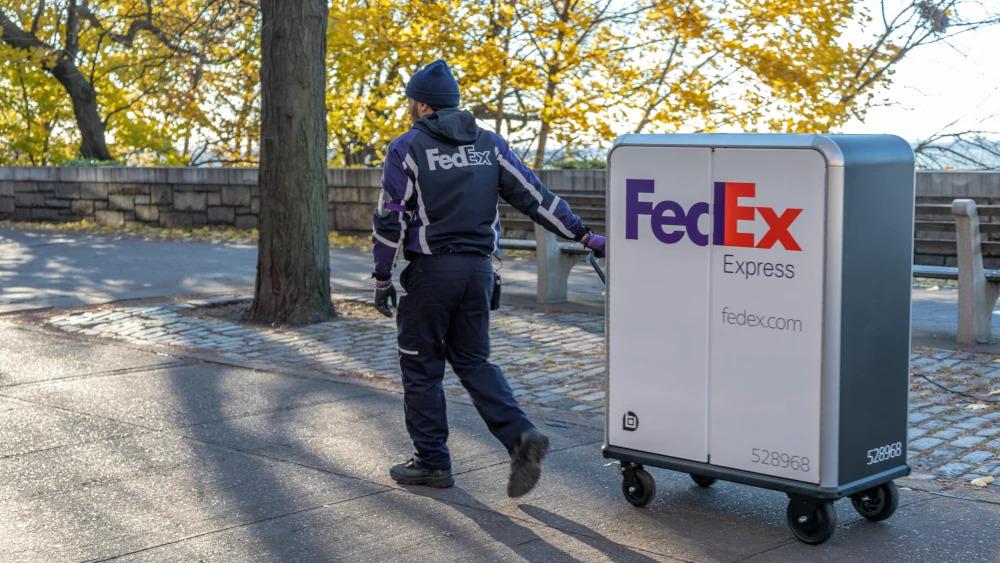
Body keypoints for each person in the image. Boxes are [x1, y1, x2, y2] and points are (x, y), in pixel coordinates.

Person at [370, 59, 606, 497]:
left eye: (410, 102)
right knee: (473, 360)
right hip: (479, 272)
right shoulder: (489, 145)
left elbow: (390, 219)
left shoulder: (407, 148)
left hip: (432, 273)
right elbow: (536, 197)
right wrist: (586, 235)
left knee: (421, 368)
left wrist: (382, 279)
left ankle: (432, 463)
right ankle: (519, 436)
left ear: (421, 105)